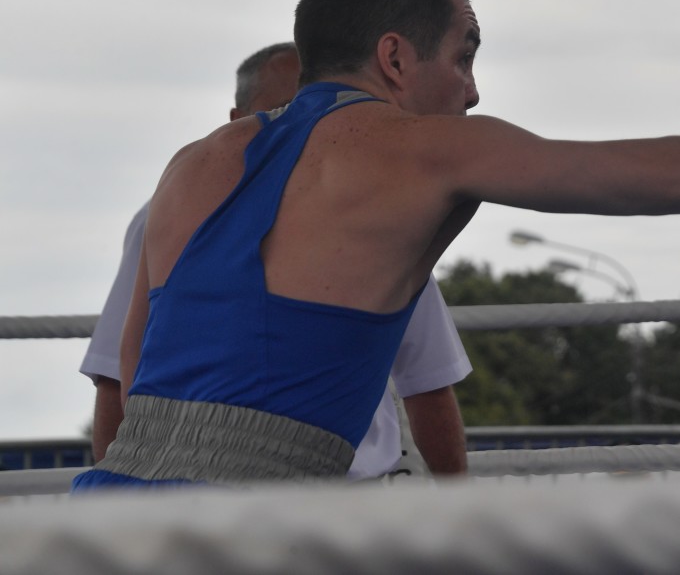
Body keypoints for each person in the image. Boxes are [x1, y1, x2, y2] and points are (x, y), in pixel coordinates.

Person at [71, 0, 680, 490]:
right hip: (261, 529)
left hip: (113, 517)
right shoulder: (429, 149)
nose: (473, 89)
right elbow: (666, 177)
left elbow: (138, 375)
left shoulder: (191, 164)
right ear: (397, 56)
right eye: (465, 54)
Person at [78, 41, 471, 483]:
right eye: (283, 107)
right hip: (208, 502)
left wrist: (462, 511)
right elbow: (116, 379)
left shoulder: (383, 214)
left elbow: (427, 380)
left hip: (354, 504)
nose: (303, 120)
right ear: (235, 121)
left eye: (324, 105)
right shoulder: (165, 215)